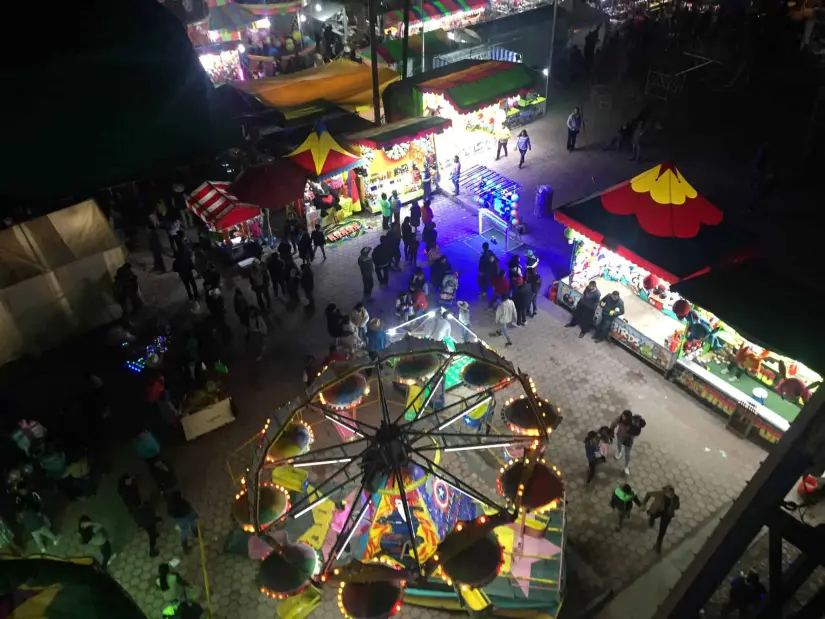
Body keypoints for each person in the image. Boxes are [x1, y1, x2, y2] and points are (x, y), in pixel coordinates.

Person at [643, 484, 680, 553]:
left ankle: (658, 544)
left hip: (667, 514)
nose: (671, 495)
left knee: (663, 530)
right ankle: (651, 520)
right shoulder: (659, 494)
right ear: (665, 493)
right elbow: (648, 494)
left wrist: (673, 508)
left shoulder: (676, 498)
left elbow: (677, 507)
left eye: (671, 494)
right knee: (652, 515)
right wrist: (644, 504)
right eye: (669, 494)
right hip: (657, 510)